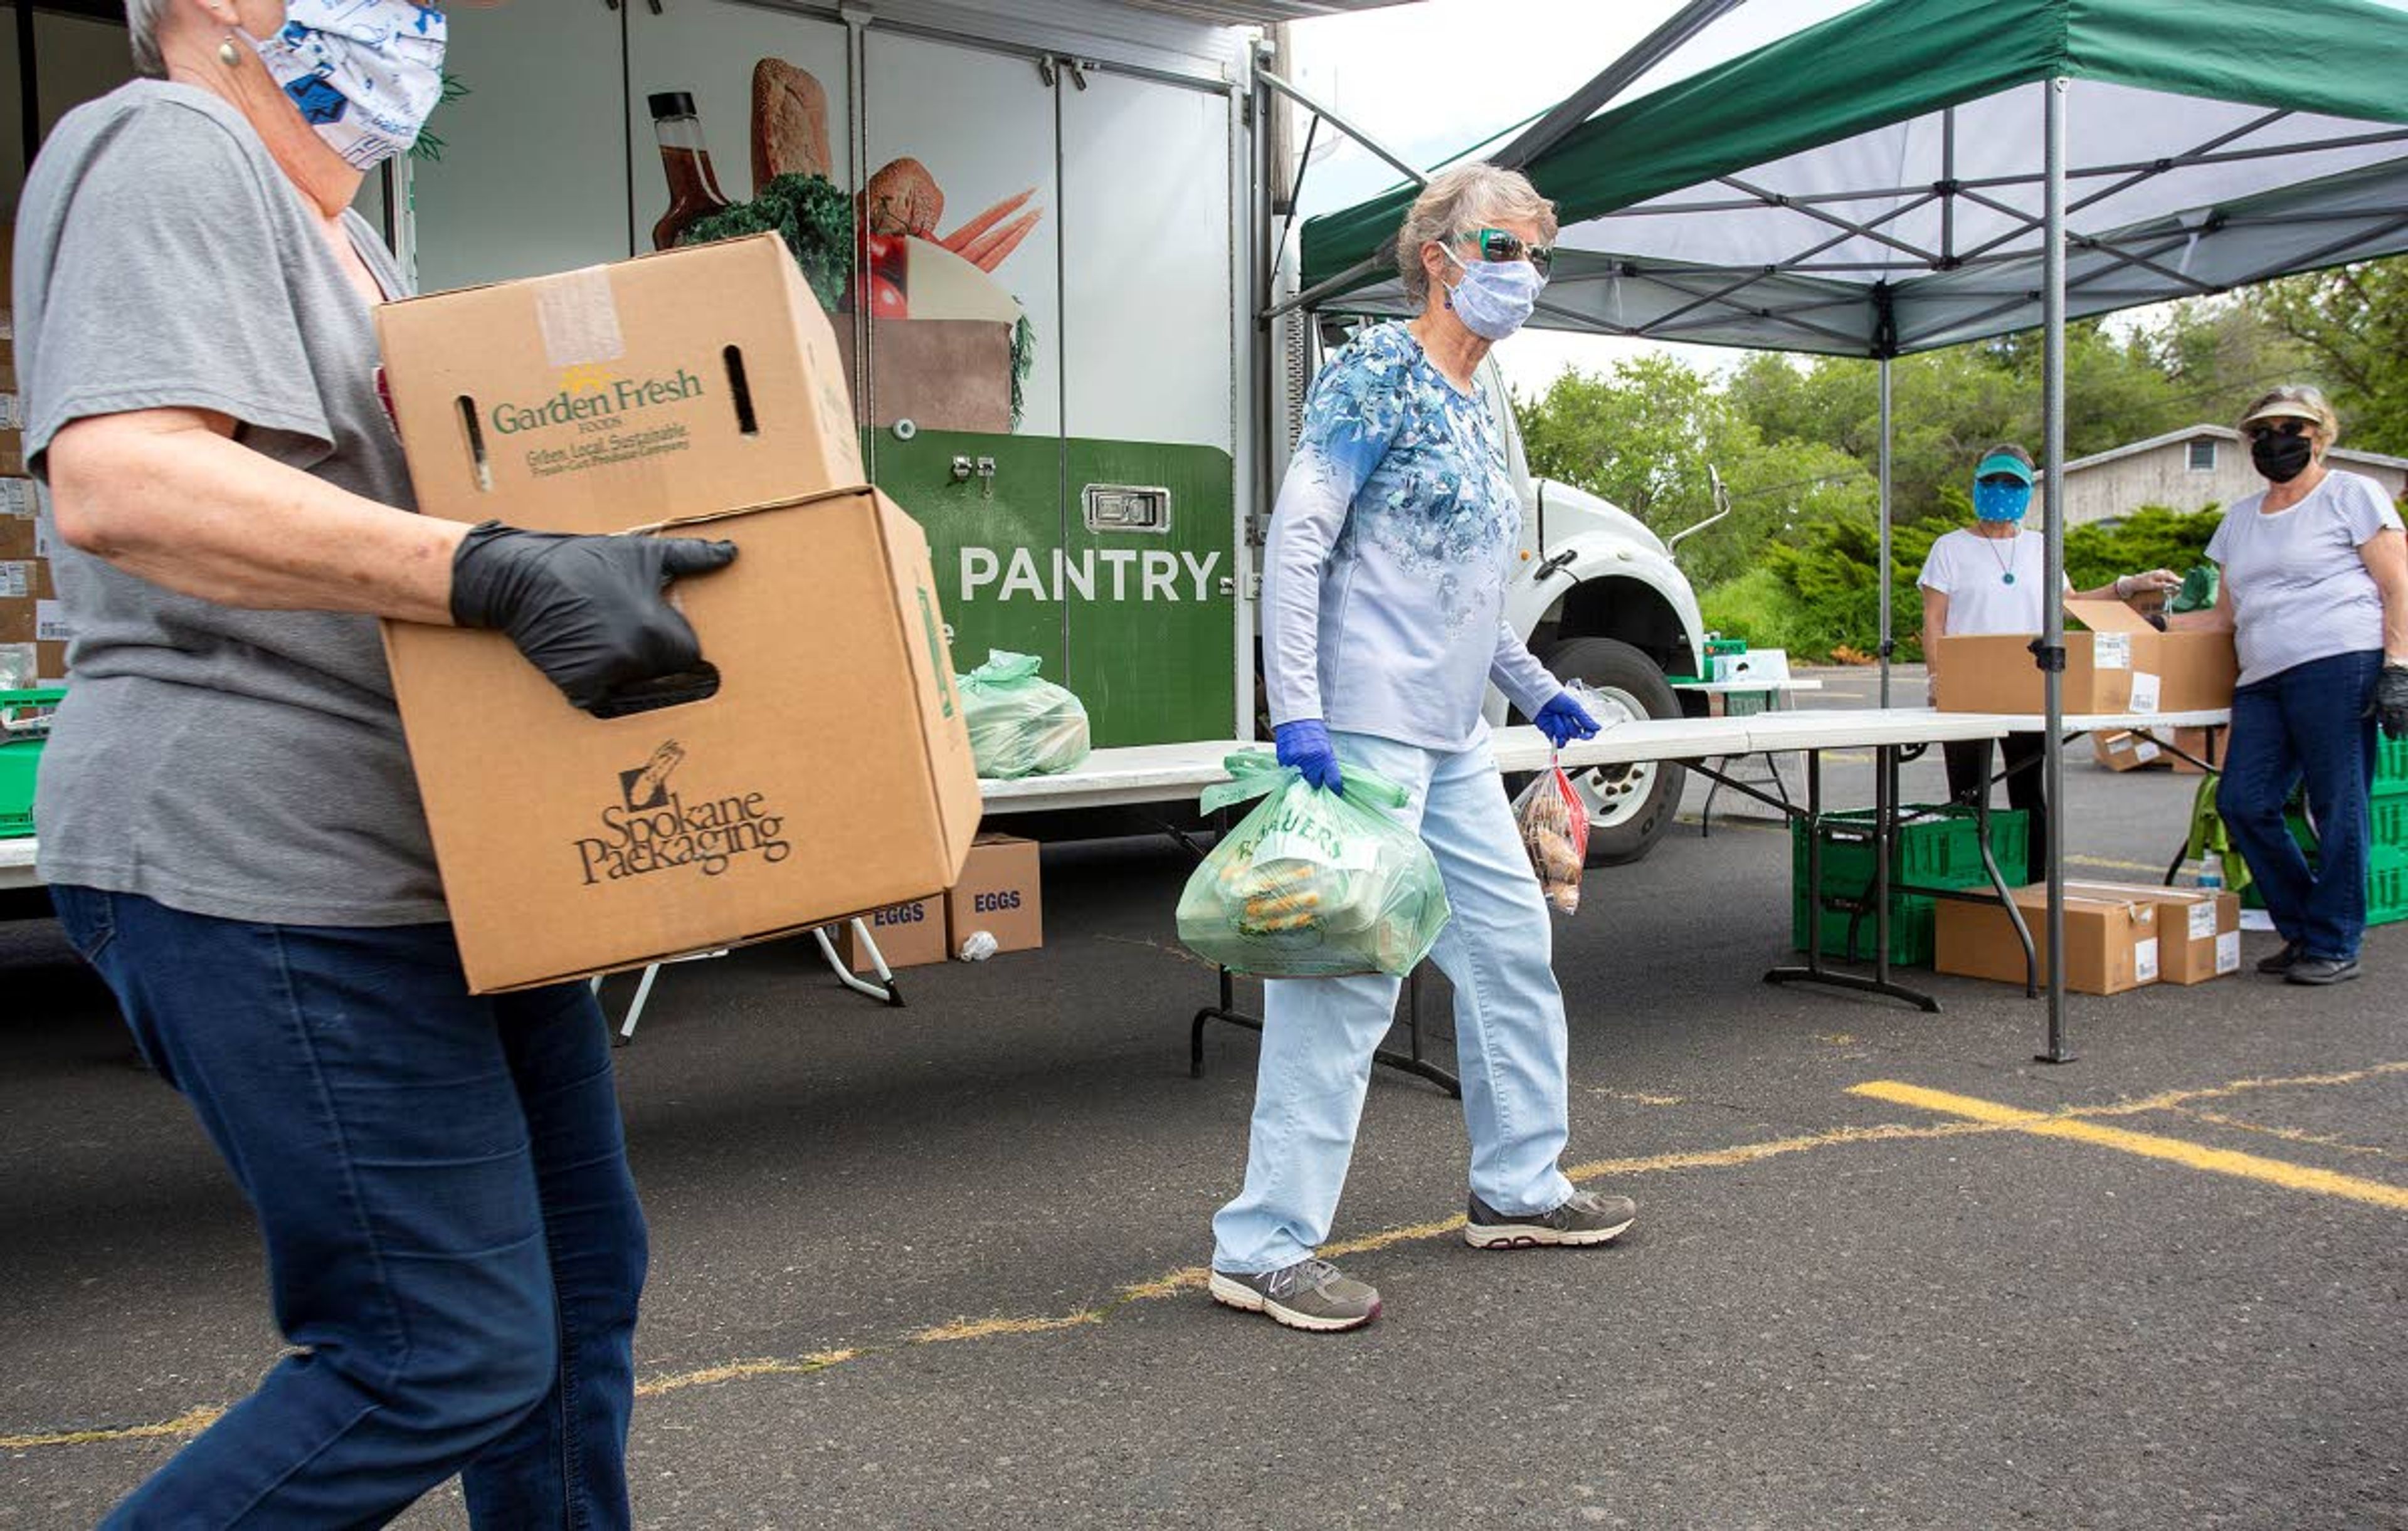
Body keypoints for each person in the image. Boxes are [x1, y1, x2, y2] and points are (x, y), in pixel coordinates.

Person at [19, 2, 736, 1523]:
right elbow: (121, 473)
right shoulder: (169, 142)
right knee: (439, 1350)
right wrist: (494, 569)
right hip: (270, 846)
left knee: (577, 1289)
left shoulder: (355, 241)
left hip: (449, 870)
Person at [1208, 162, 1634, 1335]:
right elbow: (1300, 546)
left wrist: (1541, 691)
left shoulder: (1476, 405)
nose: (1524, 275)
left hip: (1452, 740)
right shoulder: (1373, 377)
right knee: (1346, 982)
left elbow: (1462, 592)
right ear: (1438, 255)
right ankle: (1265, 1245)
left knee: (1508, 949)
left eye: (1536, 254)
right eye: (1502, 249)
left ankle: (1519, 1185)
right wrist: (1295, 706)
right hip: (1364, 731)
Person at [2176, 386, 2408, 986]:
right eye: (2263, 431)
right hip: (2263, 678)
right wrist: (2145, 625)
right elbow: (2223, 617)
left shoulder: (2352, 494)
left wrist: (2397, 665)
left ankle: (2333, 941)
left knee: (2337, 804)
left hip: (2338, 662)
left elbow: (2397, 584)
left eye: (2292, 429)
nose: (2277, 441)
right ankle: (2304, 926)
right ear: (2248, 442)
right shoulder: (2239, 520)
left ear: (2320, 436)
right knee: (2242, 802)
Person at [1918, 443, 2179, 874]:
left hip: (2028, 686)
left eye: (2011, 483)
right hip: (1967, 687)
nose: (2000, 490)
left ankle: (2035, 884)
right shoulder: (1950, 548)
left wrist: (2128, 586)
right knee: (1966, 795)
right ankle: (1966, 881)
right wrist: (1936, 677)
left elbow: (2068, 603)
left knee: (2027, 791)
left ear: (2027, 491)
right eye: (1991, 481)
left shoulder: (2041, 546)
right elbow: (1934, 618)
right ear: (1977, 483)